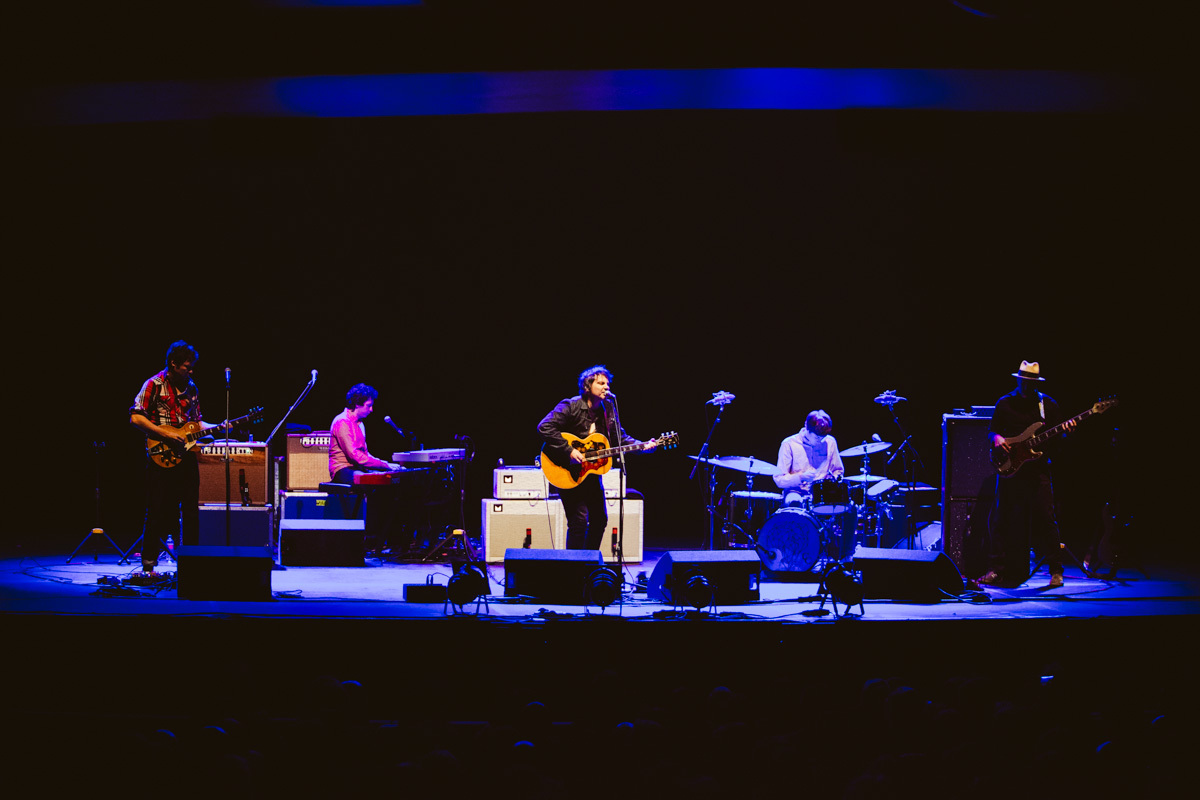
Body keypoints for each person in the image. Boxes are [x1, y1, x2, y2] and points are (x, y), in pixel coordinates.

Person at [538, 365, 656, 551]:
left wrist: (643, 446)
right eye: (600, 383)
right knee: (578, 522)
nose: (606, 387)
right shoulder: (571, 405)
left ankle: (590, 564)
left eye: (607, 384)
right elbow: (544, 427)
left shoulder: (608, 409)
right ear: (587, 386)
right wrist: (568, 450)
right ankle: (574, 568)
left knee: (600, 520)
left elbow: (620, 438)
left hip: (590, 475)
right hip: (567, 471)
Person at [979, 361, 1075, 588]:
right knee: (999, 519)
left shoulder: (1047, 405)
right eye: (1024, 381)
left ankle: (1056, 571)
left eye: (1032, 383)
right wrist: (996, 439)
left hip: (1037, 470)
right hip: (1010, 469)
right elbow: (992, 430)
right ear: (1018, 380)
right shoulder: (1005, 403)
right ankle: (996, 570)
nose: (1027, 386)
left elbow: (1057, 442)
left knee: (1046, 519)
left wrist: (1066, 432)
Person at [129, 340, 222, 574]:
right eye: (187, 367)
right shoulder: (154, 384)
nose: (191, 372)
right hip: (161, 455)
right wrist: (167, 435)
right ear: (173, 364)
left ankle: (190, 563)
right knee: (157, 509)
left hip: (187, 455)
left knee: (190, 510)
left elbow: (196, 423)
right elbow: (136, 418)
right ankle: (149, 564)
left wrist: (221, 426)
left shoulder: (191, 388)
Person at [329, 383, 401, 483]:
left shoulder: (360, 424)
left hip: (358, 468)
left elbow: (365, 454)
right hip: (342, 470)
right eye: (369, 406)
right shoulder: (342, 421)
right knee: (369, 480)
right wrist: (384, 465)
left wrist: (385, 463)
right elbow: (354, 454)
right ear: (358, 404)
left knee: (388, 479)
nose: (371, 410)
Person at [773, 409, 846, 507]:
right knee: (795, 502)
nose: (820, 441)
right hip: (797, 492)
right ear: (806, 427)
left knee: (849, 508)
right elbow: (779, 479)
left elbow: (838, 471)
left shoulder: (830, 442)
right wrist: (801, 477)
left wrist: (832, 479)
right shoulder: (789, 443)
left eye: (823, 437)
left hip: (823, 493)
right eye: (816, 437)